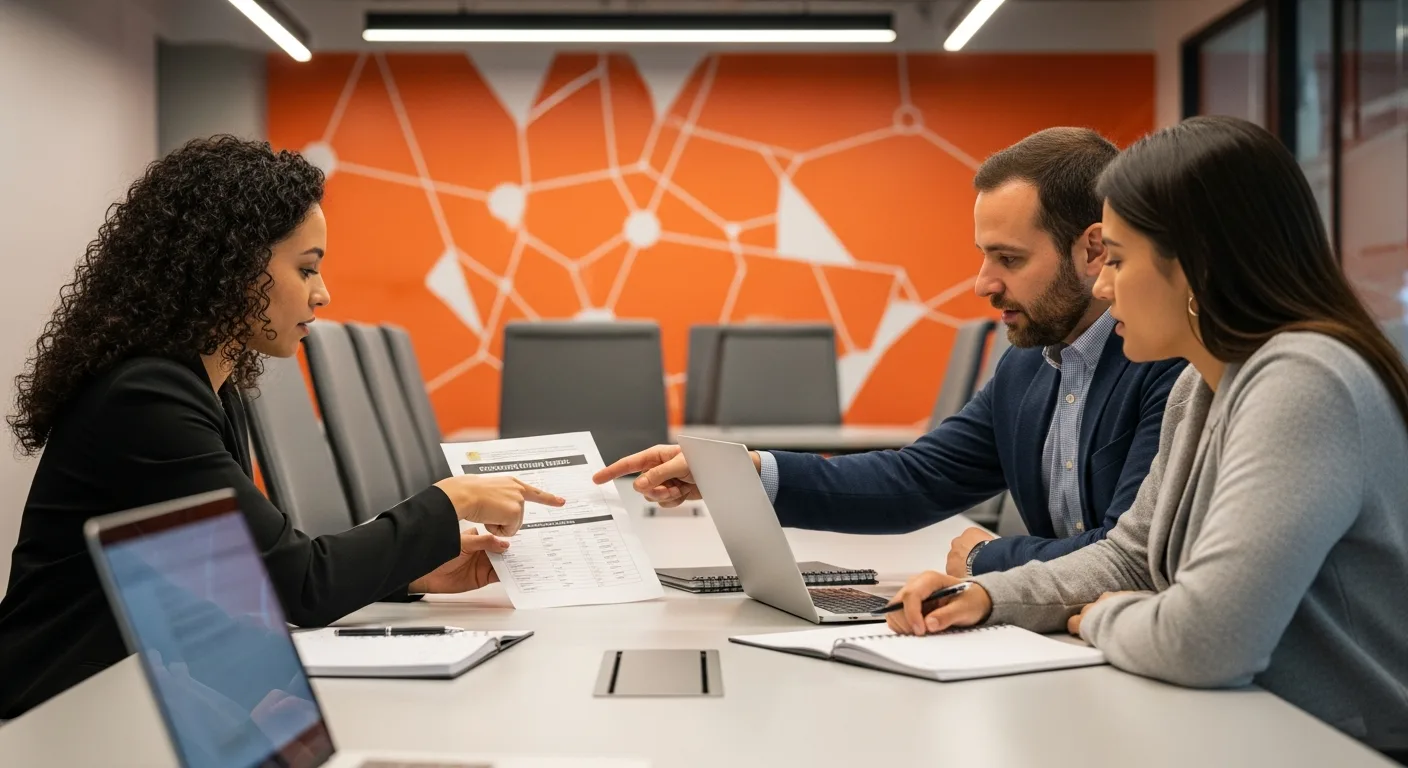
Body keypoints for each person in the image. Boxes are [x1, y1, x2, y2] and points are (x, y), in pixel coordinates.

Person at [886, 116, 1408, 763]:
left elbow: (1207, 640)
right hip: (1244, 725)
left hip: (1343, 745)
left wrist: (1099, 616)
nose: (1101, 286)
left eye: (1120, 261)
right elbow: (1132, 557)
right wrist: (990, 596)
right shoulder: (1204, 382)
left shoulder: (1304, 381)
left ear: (1195, 268)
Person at [0, 137, 564, 719]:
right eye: (306, 268)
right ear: (230, 266)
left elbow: (250, 573)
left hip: (142, 691)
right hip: (58, 709)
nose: (322, 293)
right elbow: (300, 584)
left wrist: (408, 575)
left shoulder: (204, 385)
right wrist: (449, 504)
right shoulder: (144, 400)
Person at [596, 128, 1185, 577]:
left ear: (1091, 251)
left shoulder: (1170, 367)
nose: (983, 283)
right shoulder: (1028, 367)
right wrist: (746, 474)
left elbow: (1127, 553)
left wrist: (992, 556)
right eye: (984, 256)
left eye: (1009, 259)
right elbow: (916, 479)